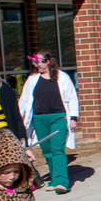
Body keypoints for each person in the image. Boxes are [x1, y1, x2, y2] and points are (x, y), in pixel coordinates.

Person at [18, 50, 79, 193]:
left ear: (47, 61)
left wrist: (74, 117)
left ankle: (62, 182)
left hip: (58, 117)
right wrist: (20, 119)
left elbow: (72, 97)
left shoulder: (62, 77)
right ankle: (54, 179)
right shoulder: (32, 79)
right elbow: (24, 100)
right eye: (35, 62)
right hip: (39, 119)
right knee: (47, 150)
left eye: (39, 61)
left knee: (57, 148)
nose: (36, 64)